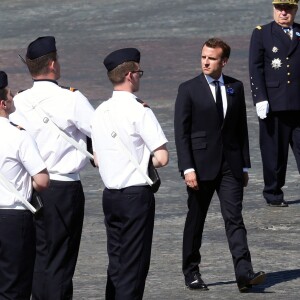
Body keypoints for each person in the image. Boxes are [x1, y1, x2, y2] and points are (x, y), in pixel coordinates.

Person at [174, 38, 266, 292]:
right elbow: (181, 133)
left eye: (211, 58)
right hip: (200, 167)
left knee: (234, 218)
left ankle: (244, 273)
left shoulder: (235, 87)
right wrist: (187, 167)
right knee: (196, 220)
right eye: (203, 56)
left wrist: (245, 166)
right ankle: (191, 271)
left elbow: (240, 129)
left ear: (223, 61)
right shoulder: (188, 89)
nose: (205, 61)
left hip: (231, 166)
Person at [10, 36, 95, 299]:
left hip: (30, 187)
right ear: (53, 65)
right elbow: (99, 132)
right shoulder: (72, 98)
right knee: (61, 261)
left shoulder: (20, 101)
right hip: (64, 189)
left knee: (37, 258)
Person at [91, 48, 169, 300]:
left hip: (110, 196)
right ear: (129, 75)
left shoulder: (100, 111)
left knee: (116, 261)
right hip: (135, 195)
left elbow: (98, 158)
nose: (140, 76)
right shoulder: (139, 110)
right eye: (138, 72)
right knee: (134, 265)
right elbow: (162, 157)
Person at [0, 71, 49, 299]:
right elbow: (42, 180)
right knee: (16, 288)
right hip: (13, 217)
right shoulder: (18, 135)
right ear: (3, 103)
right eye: (10, 94)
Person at [249, 0, 300, 207]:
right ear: (273, 9)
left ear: (295, 10)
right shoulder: (262, 33)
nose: (284, 13)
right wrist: (260, 98)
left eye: (288, 9)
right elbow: (255, 67)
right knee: (274, 153)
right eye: (280, 8)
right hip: (274, 103)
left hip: (298, 103)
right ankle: (273, 193)